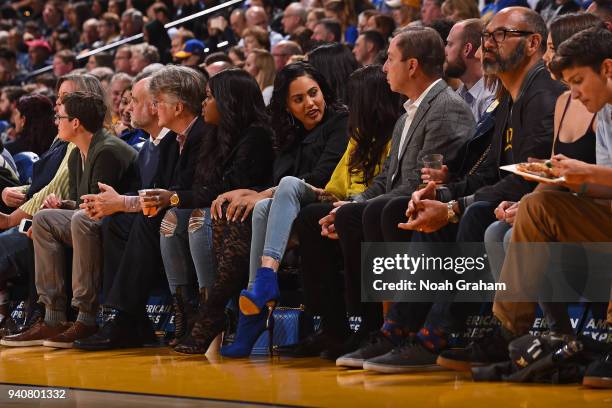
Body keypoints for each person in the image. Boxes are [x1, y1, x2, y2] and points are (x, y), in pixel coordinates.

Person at [466, 26, 612, 388]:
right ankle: (509, 330)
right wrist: (568, 182)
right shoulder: (607, 112)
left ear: (608, 68)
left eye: (578, 81)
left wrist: (587, 173)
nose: (574, 93)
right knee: (537, 203)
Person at [321, 26, 473, 370]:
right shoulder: (407, 114)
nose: (385, 67)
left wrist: (368, 204)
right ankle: (373, 326)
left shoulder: (446, 108)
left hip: (431, 205)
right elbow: (386, 177)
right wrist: (353, 203)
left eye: (390, 59)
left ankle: (399, 327)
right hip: (397, 201)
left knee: (383, 209)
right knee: (349, 214)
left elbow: (419, 183)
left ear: (413, 65)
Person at [199, 62, 349, 358]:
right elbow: (273, 186)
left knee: (286, 186)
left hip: (328, 198)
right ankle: (253, 317)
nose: (310, 103)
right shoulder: (287, 133)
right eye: (299, 99)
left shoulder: (339, 122)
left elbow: (320, 178)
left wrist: (262, 192)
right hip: (289, 208)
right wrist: (252, 193)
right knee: (260, 209)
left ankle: (261, 288)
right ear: (287, 107)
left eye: (313, 93)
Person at [73, 65, 206, 351]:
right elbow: (154, 191)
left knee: (141, 220)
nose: (128, 106)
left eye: (156, 101)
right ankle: (131, 320)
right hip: (171, 212)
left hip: (188, 215)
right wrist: (113, 203)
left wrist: (122, 202)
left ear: (177, 106)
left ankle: (121, 316)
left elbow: (177, 192)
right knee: (113, 222)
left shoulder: (187, 137)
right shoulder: (160, 143)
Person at [276, 64, 402, 358]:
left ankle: (371, 327)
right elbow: (335, 186)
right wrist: (328, 199)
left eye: (353, 99)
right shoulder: (359, 137)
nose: (347, 106)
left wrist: (350, 203)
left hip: (377, 209)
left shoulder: (395, 132)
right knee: (311, 216)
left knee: (348, 218)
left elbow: (389, 183)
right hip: (354, 207)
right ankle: (333, 328)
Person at [1, 91, 138, 348]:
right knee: (43, 219)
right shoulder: (77, 152)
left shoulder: (107, 150)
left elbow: (99, 206)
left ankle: (86, 317)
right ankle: (52, 317)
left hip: (122, 221)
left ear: (76, 123)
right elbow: (83, 202)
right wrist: (65, 205)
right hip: (94, 215)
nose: (56, 122)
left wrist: (73, 208)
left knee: (79, 221)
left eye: (60, 117)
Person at [161, 69, 274, 351]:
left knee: (200, 218)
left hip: (243, 215)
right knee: (171, 221)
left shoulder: (257, 135)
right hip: (217, 209)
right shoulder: (212, 135)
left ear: (229, 101)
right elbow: (202, 189)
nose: (203, 103)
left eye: (210, 97)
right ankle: (185, 310)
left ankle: (211, 310)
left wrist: (174, 197)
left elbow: (222, 192)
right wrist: (173, 201)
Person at [445, 19, 495, 122]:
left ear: (467, 49)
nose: (445, 51)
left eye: (450, 44)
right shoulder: (459, 94)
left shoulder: (491, 97)